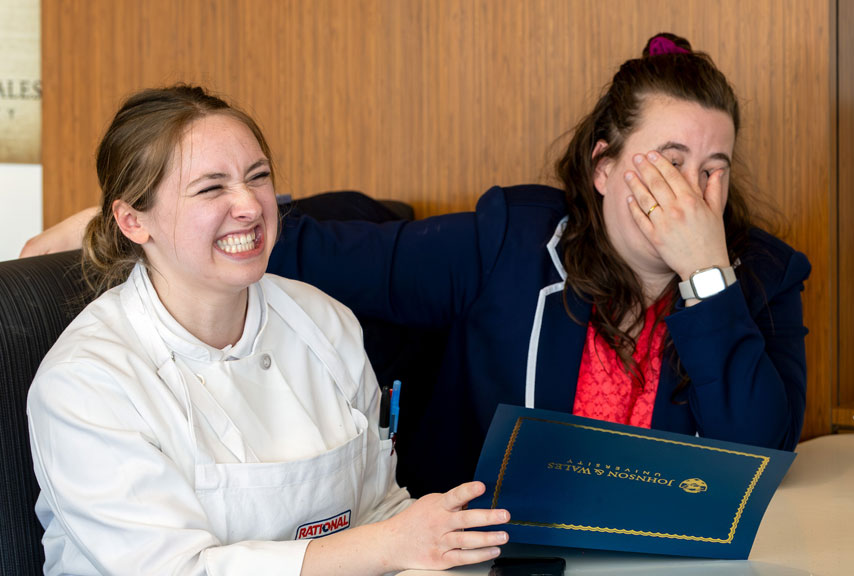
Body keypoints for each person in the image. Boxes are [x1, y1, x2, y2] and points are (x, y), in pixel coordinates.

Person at [23, 33, 812, 498]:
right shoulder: (510, 242)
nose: (694, 190)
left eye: (715, 167)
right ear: (604, 167)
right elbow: (321, 248)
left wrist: (709, 275)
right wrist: (136, 220)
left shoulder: (762, 276)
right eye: (669, 160)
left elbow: (762, 459)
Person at [26, 85, 508, 576]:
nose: (251, 207)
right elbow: (176, 571)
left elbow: (376, 511)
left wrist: (429, 547)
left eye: (258, 178)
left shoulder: (325, 323)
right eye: (211, 187)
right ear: (132, 221)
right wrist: (386, 546)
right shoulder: (86, 382)